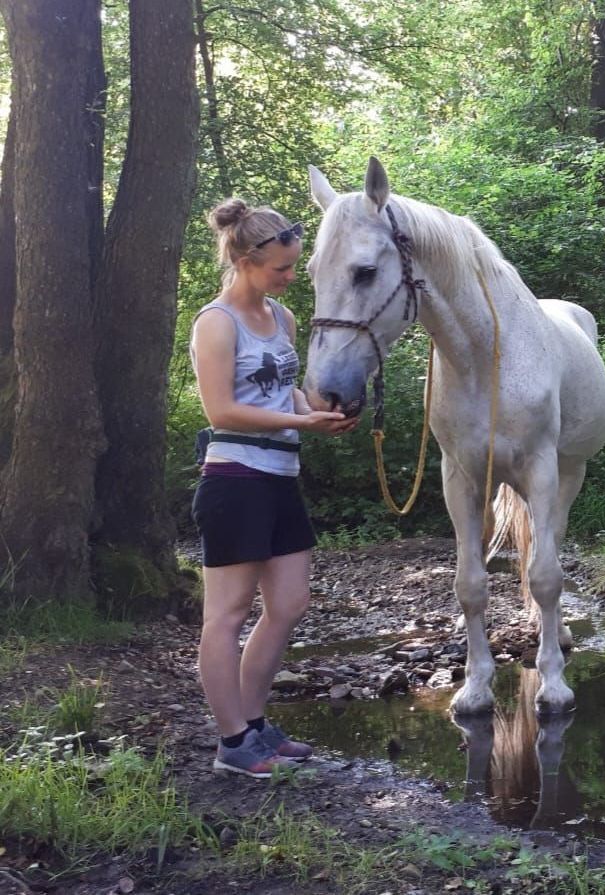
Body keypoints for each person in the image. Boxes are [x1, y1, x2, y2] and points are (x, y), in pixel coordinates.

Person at [191, 198, 358, 778]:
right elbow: (223, 410)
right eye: (281, 269)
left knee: (289, 605)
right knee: (228, 614)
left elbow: (282, 393)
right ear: (243, 260)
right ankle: (232, 742)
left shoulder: (280, 320)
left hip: (281, 478)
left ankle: (256, 724)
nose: (290, 278)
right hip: (235, 480)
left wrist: (319, 411)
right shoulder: (216, 323)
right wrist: (299, 421)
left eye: (292, 267)